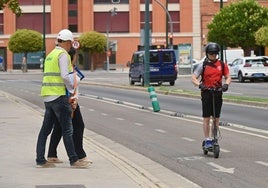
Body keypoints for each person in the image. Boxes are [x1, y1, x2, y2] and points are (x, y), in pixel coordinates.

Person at [35, 29, 90, 168]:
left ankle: (40, 160)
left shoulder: (50, 55)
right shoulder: (63, 54)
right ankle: (74, 160)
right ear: (66, 42)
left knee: (45, 130)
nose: (71, 45)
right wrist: (72, 89)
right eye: (70, 43)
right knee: (67, 130)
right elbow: (65, 76)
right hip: (59, 96)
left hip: (48, 96)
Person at [47, 47, 92, 164]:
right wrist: (73, 100)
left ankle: (52, 154)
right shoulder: (68, 69)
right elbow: (70, 86)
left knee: (59, 127)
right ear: (72, 57)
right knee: (78, 125)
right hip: (68, 100)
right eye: (76, 55)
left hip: (63, 99)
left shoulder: (69, 68)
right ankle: (79, 155)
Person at [191, 42, 231, 149]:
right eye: (211, 54)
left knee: (216, 118)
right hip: (207, 93)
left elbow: (228, 76)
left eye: (215, 54)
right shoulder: (202, 65)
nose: (213, 56)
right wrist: (200, 85)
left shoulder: (222, 65)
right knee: (206, 118)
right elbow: (193, 78)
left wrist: (226, 84)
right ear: (207, 53)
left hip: (218, 92)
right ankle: (207, 139)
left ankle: (215, 137)